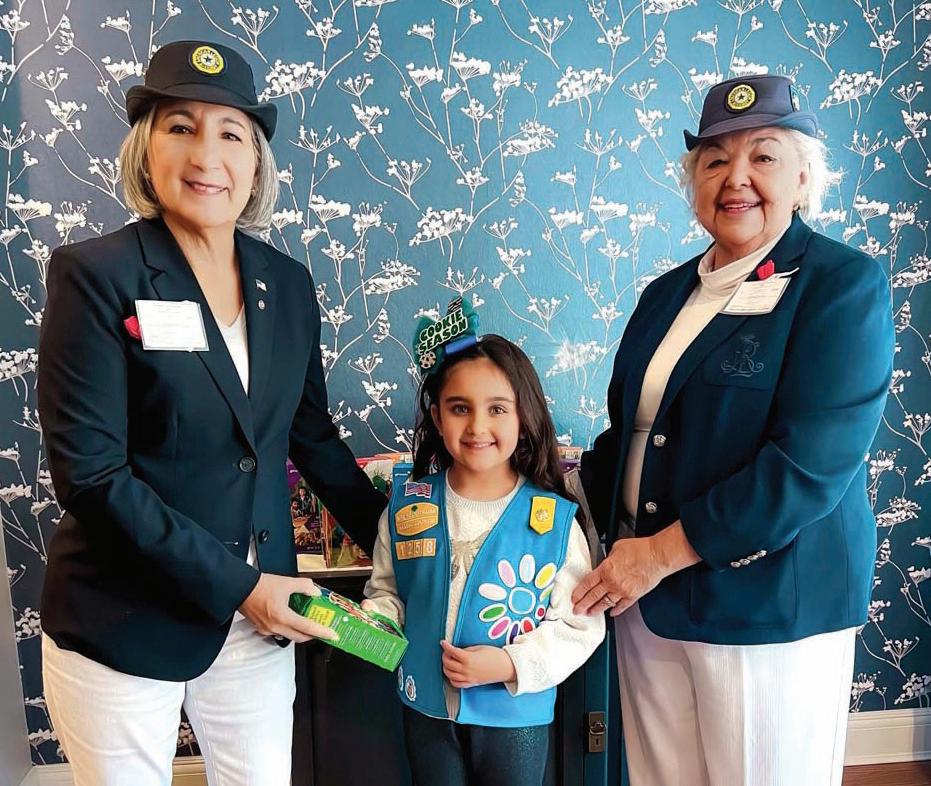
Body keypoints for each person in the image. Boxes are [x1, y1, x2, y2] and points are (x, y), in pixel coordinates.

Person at [37, 39, 386, 786]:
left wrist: (405, 544)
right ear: (146, 149)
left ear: (256, 161)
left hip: (257, 626)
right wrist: (243, 588)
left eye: (231, 133)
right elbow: (93, 478)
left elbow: (309, 436)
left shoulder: (286, 284)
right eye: (180, 127)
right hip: (126, 617)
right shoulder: (96, 275)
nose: (206, 155)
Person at [573, 74, 895, 785]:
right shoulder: (665, 294)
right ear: (693, 183)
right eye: (715, 160)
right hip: (647, 601)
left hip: (767, 607)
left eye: (763, 156)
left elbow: (806, 468)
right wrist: (530, 493)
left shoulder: (840, 285)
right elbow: (630, 436)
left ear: (804, 176)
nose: (735, 178)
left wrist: (656, 556)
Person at [362, 298, 605, 786]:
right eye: (459, 408)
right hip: (425, 709)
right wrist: (372, 623)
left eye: (496, 409)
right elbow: (387, 592)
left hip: (514, 714)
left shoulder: (554, 520)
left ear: (523, 417)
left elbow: (580, 625)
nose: (477, 426)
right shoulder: (407, 506)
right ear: (437, 417)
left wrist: (510, 663)